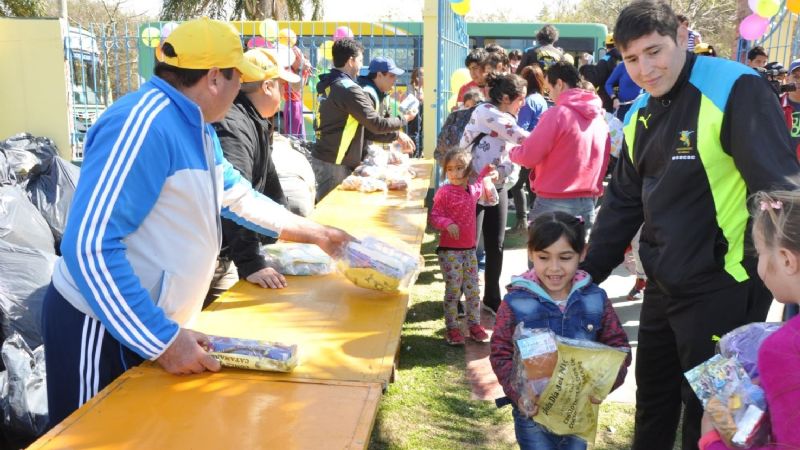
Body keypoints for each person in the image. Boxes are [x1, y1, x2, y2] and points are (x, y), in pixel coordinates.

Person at [41, 18, 353, 429]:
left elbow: (236, 195)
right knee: (90, 436)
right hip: (100, 327)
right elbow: (90, 248)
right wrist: (165, 341)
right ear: (212, 78)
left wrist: (318, 234)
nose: (242, 87)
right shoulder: (144, 124)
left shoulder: (196, 127)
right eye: (237, 76)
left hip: (143, 324)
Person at [580, 3, 800, 449]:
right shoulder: (639, 110)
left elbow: (778, 187)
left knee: (714, 416)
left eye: (654, 51)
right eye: (631, 59)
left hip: (726, 285)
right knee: (654, 400)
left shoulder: (735, 87)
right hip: (665, 284)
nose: (644, 69)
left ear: (682, 35)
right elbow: (624, 199)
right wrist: (587, 272)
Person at [489, 211, 631, 450]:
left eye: (565, 257)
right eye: (544, 257)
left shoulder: (595, 299)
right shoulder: (516, 301)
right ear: (531, 254)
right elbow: (500, 351)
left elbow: (619, 348)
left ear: (582, 253)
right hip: (532, 415)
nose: (554, 268)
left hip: (578, 412)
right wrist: (518, 395)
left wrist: (604, 386)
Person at [697, 190, 800, 450]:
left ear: (787, 259)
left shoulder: (784, 347)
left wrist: (711, 440)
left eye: (761, 253)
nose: (759, 266)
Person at [210, 48, 302, 298]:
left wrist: (285, 230)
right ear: (268, 86)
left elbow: (270, 184)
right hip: (213, 254)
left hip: (226, 250)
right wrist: (251, 262)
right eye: (282, 87)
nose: (284, 95)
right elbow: (231, 197)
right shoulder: (233, 124)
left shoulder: (254, 120)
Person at [510, 60, 610, 234]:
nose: (550, 96)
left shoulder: (557, 114)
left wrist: (511, 151)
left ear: (560, 83)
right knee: (577, 259)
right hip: (588, 202)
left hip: (553, 201)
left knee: (543, 259)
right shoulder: (600, 119)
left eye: (549, 89)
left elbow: (528, 157)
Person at [460, 73, 530, 315]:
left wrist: (499, 173)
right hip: (470, 187)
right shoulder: (487, 112)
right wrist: (551, 142)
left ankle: (491, 298)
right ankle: (459, 299)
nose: (523, 105)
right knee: (468, 245)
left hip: (494, 187)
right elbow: (522, 139)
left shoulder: (507, 118)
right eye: (520, 99)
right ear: (506, 97)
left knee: (496, 245)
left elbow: (513, 159)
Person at [312, 39, 412, 201]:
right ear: (351, 61)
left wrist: (395, 135)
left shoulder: (329, 83)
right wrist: (404, 119)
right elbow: (376, 124)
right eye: (359, 60)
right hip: (335, 163)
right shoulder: (348, 89)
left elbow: (365, 129)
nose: (361, 67)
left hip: (325, 157)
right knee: (332, 214)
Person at [429, 148, 497, 345]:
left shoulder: (472, 190)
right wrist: (447, 224)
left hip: (469, 251)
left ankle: (474, 325)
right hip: (449, 251)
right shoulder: (444, 192)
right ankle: (452, 328)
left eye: (459, 168)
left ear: (468, 170)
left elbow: (478, 182)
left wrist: (485, 171)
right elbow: (434, 216)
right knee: (454, 290)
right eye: (449, 169)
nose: (454, 173)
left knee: (473, 290)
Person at [509, 64, 549, 233]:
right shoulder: (541, 99)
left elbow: (521, 126)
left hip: (528, 148)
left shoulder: (528, 101)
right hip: (541, 149)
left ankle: (522, 220)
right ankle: (535, 221)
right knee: (532, 185)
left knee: (516, 185)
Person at [358, 56, 417, 151]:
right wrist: (404, 120)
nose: (395, 79)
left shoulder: (384, 94)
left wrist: (397, 141)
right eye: (392, 75)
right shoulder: (365, 93)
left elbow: (385, 125)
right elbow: (370, 130)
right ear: (379, 75)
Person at [407, 67, 424, 157]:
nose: (423, 77)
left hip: (423, 113)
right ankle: (414, 153)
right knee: (414, 133)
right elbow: (412, 99)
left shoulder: (426, 88)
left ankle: (420, 151)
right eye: (421, 75)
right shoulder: (411, 87)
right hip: (414, 113)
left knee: (422, 133)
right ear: (416, 77)